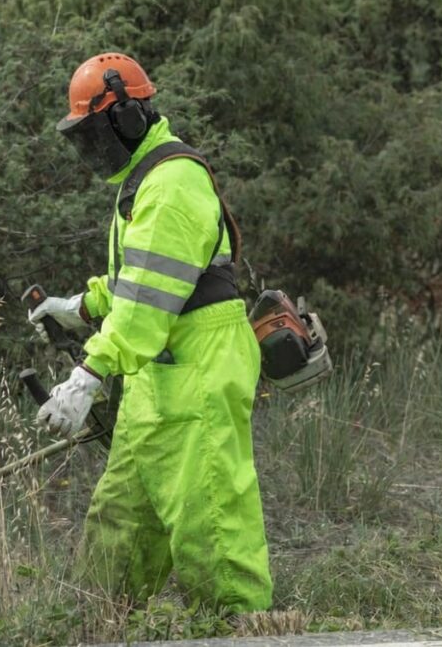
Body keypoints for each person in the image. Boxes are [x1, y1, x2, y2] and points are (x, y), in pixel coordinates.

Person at [29, 52, 272, 613]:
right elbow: (136, 281)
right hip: (156, 376)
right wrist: (82, 307)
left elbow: (148, 302)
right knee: (121, 521)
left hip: (198, 367)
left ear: (130, 118)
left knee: (209, 513)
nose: (91, 149)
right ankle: (97, 620)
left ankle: (239, 626)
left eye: (95, 133)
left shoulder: (171, 184)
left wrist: (88, 373)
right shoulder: (143, 181)